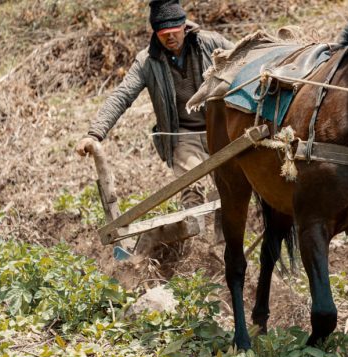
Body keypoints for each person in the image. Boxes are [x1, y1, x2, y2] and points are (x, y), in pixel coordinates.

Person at [76, 0, 233, 210]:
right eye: (163, 32)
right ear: (156, 33)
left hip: (219, 129)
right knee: (191, 188)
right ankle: (193, 239)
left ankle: (224, 240)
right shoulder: (147, 61)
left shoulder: (210, 43)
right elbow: (122, 96)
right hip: (183, 136)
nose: (170, 37)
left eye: (175, 31)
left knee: (228, 190)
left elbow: (244, 58)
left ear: (184, 26)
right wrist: (94, 133)